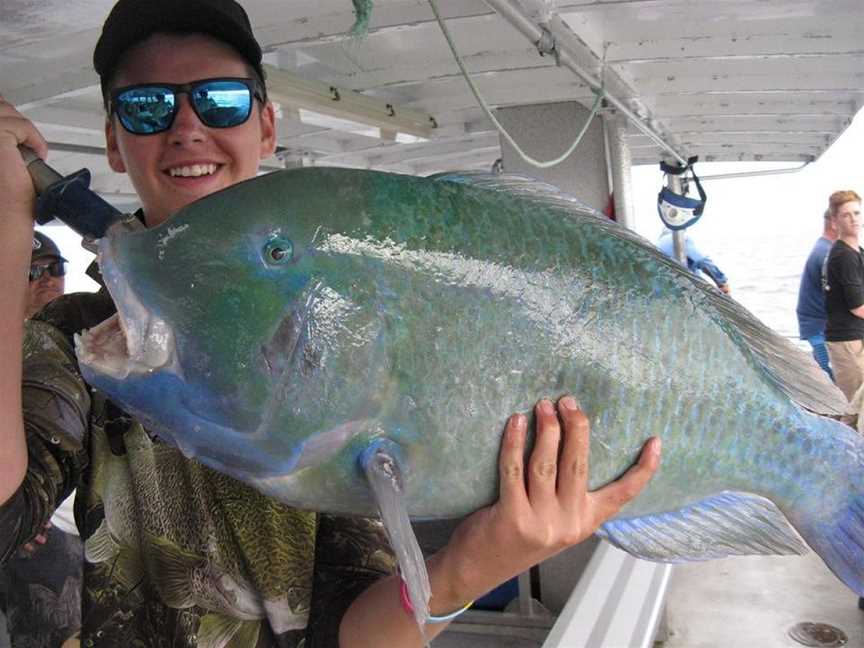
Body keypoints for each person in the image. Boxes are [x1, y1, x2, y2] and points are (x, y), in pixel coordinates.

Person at [0, 1, 661, 645]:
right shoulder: (79, 341)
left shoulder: (349, 321)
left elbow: (358, 632)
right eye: (147, 107)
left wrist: (479, 561)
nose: (186, 128)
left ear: (266, 127)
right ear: (114, 142)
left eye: (221, 100)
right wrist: (6, 222)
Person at [0, 231, 83, 648]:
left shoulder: (90, 338)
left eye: (56, 268)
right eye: (32, 271)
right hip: (34, 526)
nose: (48, 279)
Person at [823, 190, 864, 404]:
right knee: (855, 404)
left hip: (856, 335)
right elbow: (857, 306)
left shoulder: (857, 251)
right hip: (847, 340)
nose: (853, 219)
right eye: (846, 215)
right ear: (835, 222)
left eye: (857, 213)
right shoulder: (844, 256)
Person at [796, 210, 839, 380]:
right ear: (835, 223)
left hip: (818, 324)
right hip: (819, 327)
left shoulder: (827, 248)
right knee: (830, 375)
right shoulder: (826, 253)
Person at [657, 229, 731, 294]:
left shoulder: (658, 245)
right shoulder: (680, 238)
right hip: (687, 286)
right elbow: (700, 260)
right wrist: (722, 282)